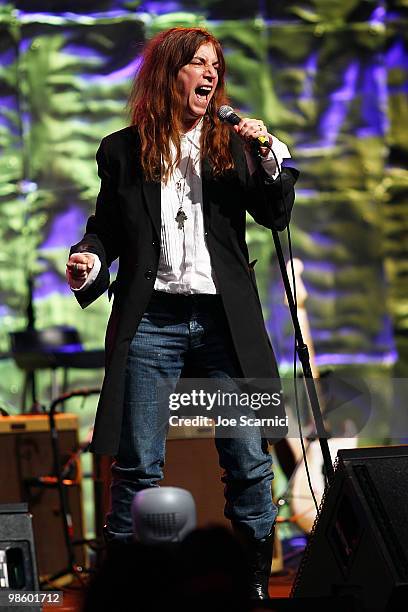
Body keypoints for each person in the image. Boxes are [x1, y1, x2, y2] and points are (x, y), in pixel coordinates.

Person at [66, 26, 298, 600]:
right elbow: (108, 229)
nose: (210, 73)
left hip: (226, 324)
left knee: (248, 459)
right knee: (138, 466)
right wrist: (89, 259)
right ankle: (124, 591)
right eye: (197, 63)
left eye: (215, 65)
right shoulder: (123, 149)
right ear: (170, 73)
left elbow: (276, 213)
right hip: (153, 320)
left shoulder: (236, 145)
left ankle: (251, 584)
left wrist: (268, 157)